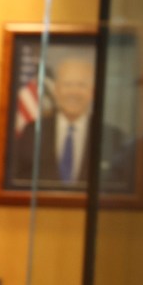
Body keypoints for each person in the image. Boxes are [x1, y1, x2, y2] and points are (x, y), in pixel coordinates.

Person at [14, 55, 131, 189]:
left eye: (81, 85)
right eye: (67, 84)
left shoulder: (114, 138)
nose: (74, 92)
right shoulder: (32, 132)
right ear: (56, 90)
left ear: (92, 92)